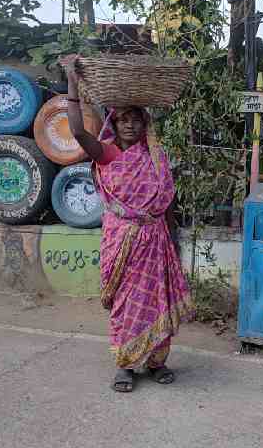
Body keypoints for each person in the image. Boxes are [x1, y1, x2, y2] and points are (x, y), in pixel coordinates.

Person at [65, 66, 194, 393]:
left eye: (136, 120)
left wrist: (173, 244)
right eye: (124, 120)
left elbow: (167, 202)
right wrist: (71, 81)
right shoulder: (106, 154)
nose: (130, 125)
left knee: (156, 297)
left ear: (145, 123)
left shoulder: (155, 157)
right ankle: (125, 364)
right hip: (122, 240)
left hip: (155, 241)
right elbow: (79, 132)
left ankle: (156, 361)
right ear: (115, 123)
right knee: (126, 301)